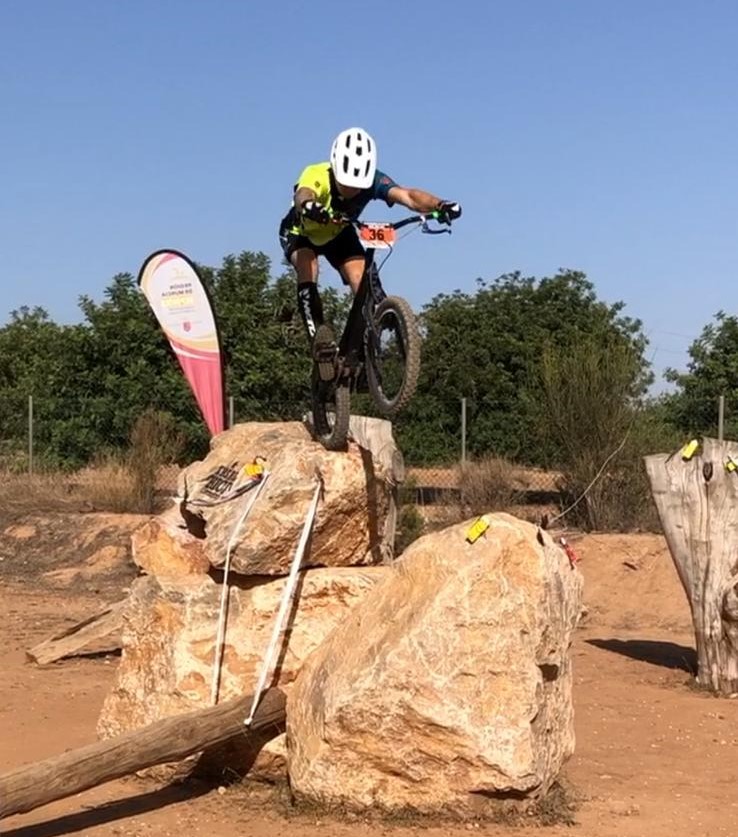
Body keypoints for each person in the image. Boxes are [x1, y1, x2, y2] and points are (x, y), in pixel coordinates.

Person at [278, 126, 461, 368]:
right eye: (346, 184)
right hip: (301, 232)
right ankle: (319, 338)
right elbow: (304, 193)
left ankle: (365, 345)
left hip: (339, 233)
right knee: (308, 266)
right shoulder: (317, 173)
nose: (353, 190)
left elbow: (407, 196)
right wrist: (310, 205)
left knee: (361, 277)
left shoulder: (372, 180)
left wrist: (440, 204)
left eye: (357, 185)